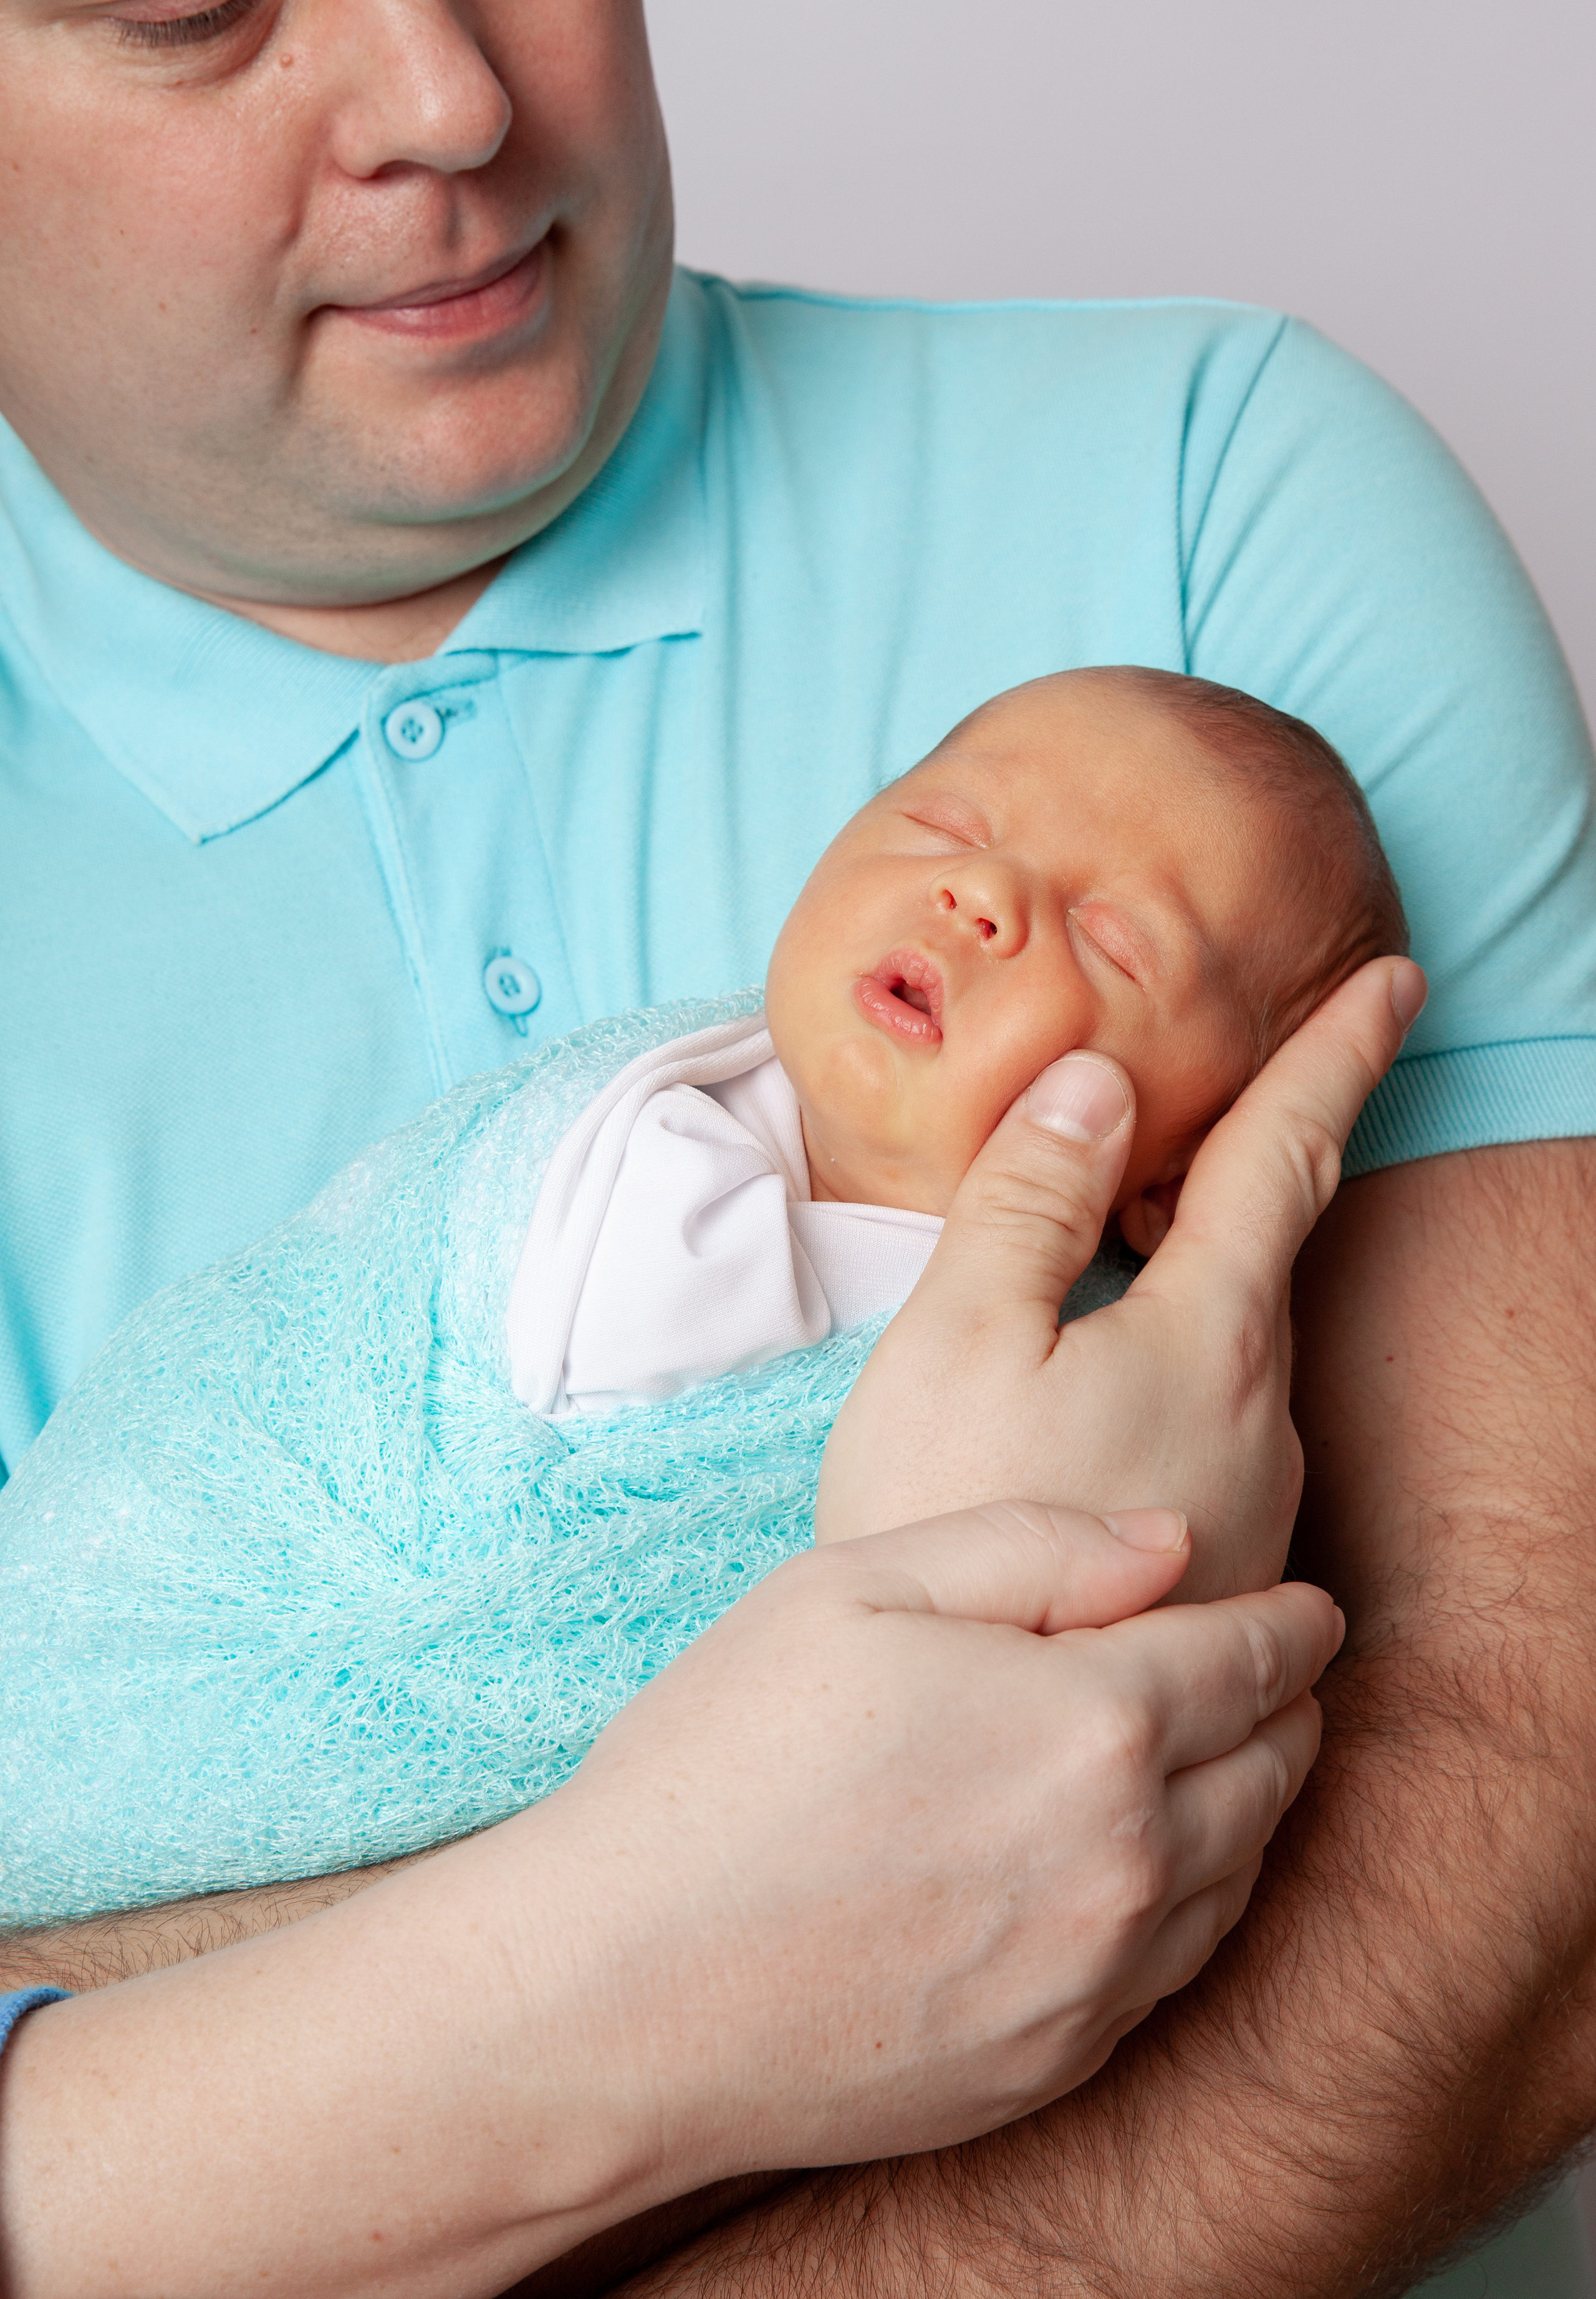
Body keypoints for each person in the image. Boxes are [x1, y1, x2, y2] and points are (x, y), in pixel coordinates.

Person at [0, 0, 1592, 2290]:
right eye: (192, 11)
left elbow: (1534, 1810)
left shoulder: (1211, 497)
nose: (453, 99)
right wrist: (670, 1955)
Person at [0, 665, 1406, 1929]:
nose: (984, 895)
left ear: (1177, 1179)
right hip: (217, 1598)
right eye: (943, 824)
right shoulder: (665, 1139)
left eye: (1113, 942)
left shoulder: (1110, 1376)